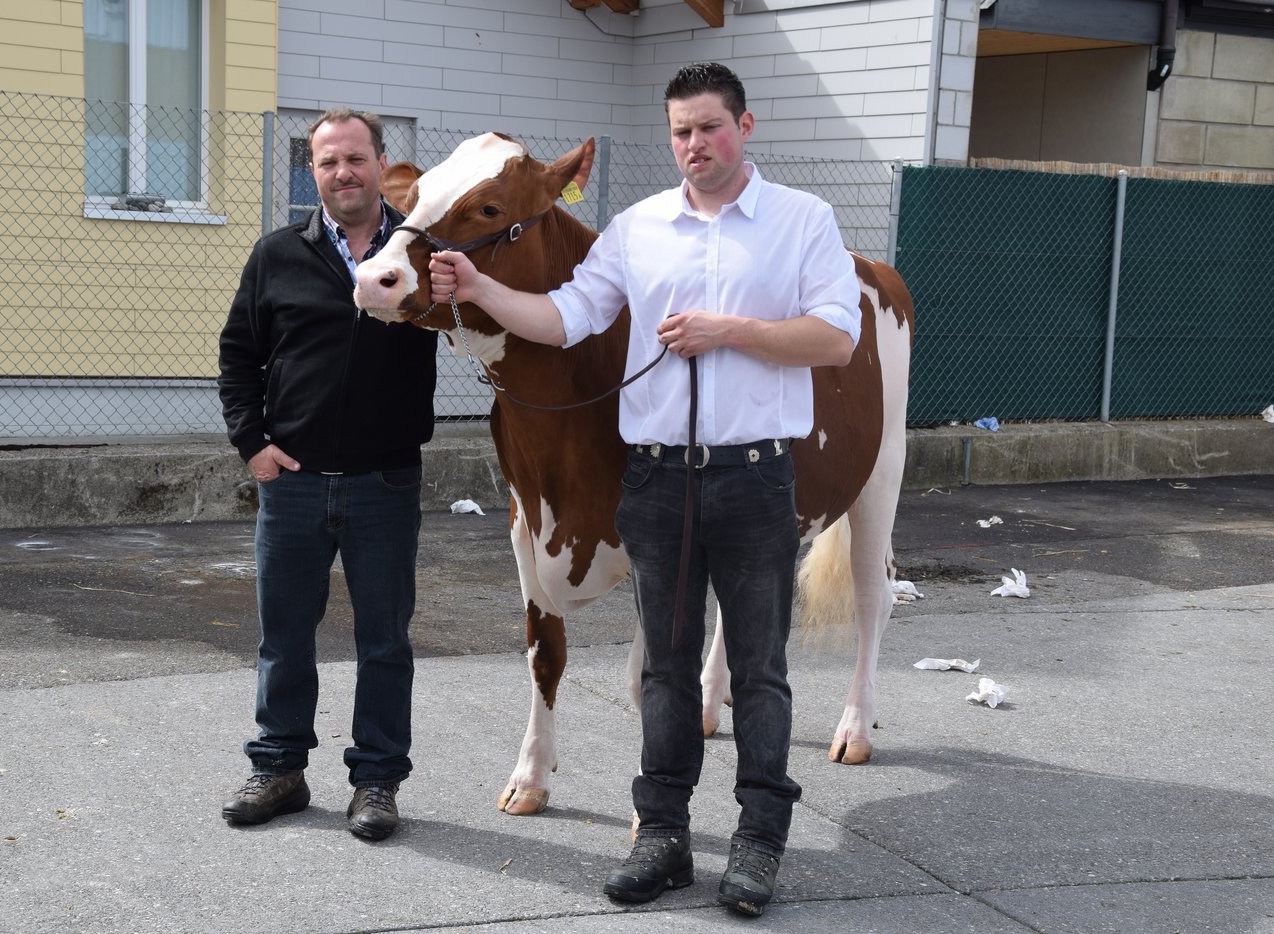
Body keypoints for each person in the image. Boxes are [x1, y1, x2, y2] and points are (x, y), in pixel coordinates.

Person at [428, 63, 862, 915]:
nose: (694, 145)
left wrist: (726, 331)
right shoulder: (639, 227)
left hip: (753, 474)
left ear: (745, 125)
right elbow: (566, 317)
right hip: (658, 479)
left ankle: (758, 842)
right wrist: (481, 288)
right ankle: (662, 835)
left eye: (709, 127)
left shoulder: (801, 221)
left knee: (760, 671)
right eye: (681, 131)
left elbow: (836, 338)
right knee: (663, 670)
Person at [217, 108, 437, 841]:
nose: (342, 172)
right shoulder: (278, 254)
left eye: (355, 158)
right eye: (326, 161)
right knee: (285, 636)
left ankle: (376, 782)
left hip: (386, 482)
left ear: (381, 163)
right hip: (295, 481)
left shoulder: (422, 254)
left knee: (384, 641)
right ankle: (278, 767)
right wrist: (254, 445)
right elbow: (238, 357)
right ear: (312, 171)